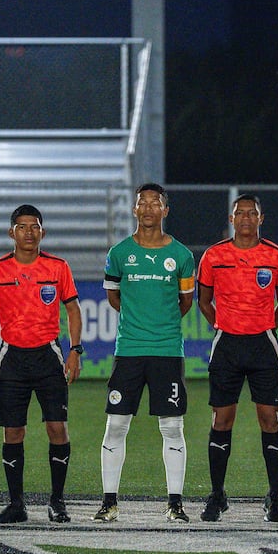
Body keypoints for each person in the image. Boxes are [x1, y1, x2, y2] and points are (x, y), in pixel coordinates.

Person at [92, 183, 196, 524]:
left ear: (165, 211)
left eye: (156, 203)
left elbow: (184, 303)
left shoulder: (181, 255)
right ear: (134, 209)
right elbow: (114, 298)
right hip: (130, 351)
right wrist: (139, 323)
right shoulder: (119, 253)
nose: (149, 208)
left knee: (172, 427)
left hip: (167, 351)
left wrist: (159, 324)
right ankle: (109, 502)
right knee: (117, 424)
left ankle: (176, 504)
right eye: (143, 203)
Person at [0, 204, 83, 524]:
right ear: (12, 232)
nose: (28, 232)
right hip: (13, 358)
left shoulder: (58, 267)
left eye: (34, 226)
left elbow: (73, 309)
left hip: (48, 355)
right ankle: (16, 504)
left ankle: (57, 501)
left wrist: (75, 350)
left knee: (57, 429)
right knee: (13, 432)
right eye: (21, 227)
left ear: (42, 232)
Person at [197, 194, 278, 522]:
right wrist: (224, 325)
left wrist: (264, 326)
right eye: (241, 214)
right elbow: (204, 300)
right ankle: (217, 494)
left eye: (253, 214)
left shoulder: (276, 256)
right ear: (231, 218)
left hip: (263, 345)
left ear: (261, 219)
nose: (247, 219)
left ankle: (273, 495)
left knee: (269, 417)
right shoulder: (214, 256)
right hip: (227, 345)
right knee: (222, 419)